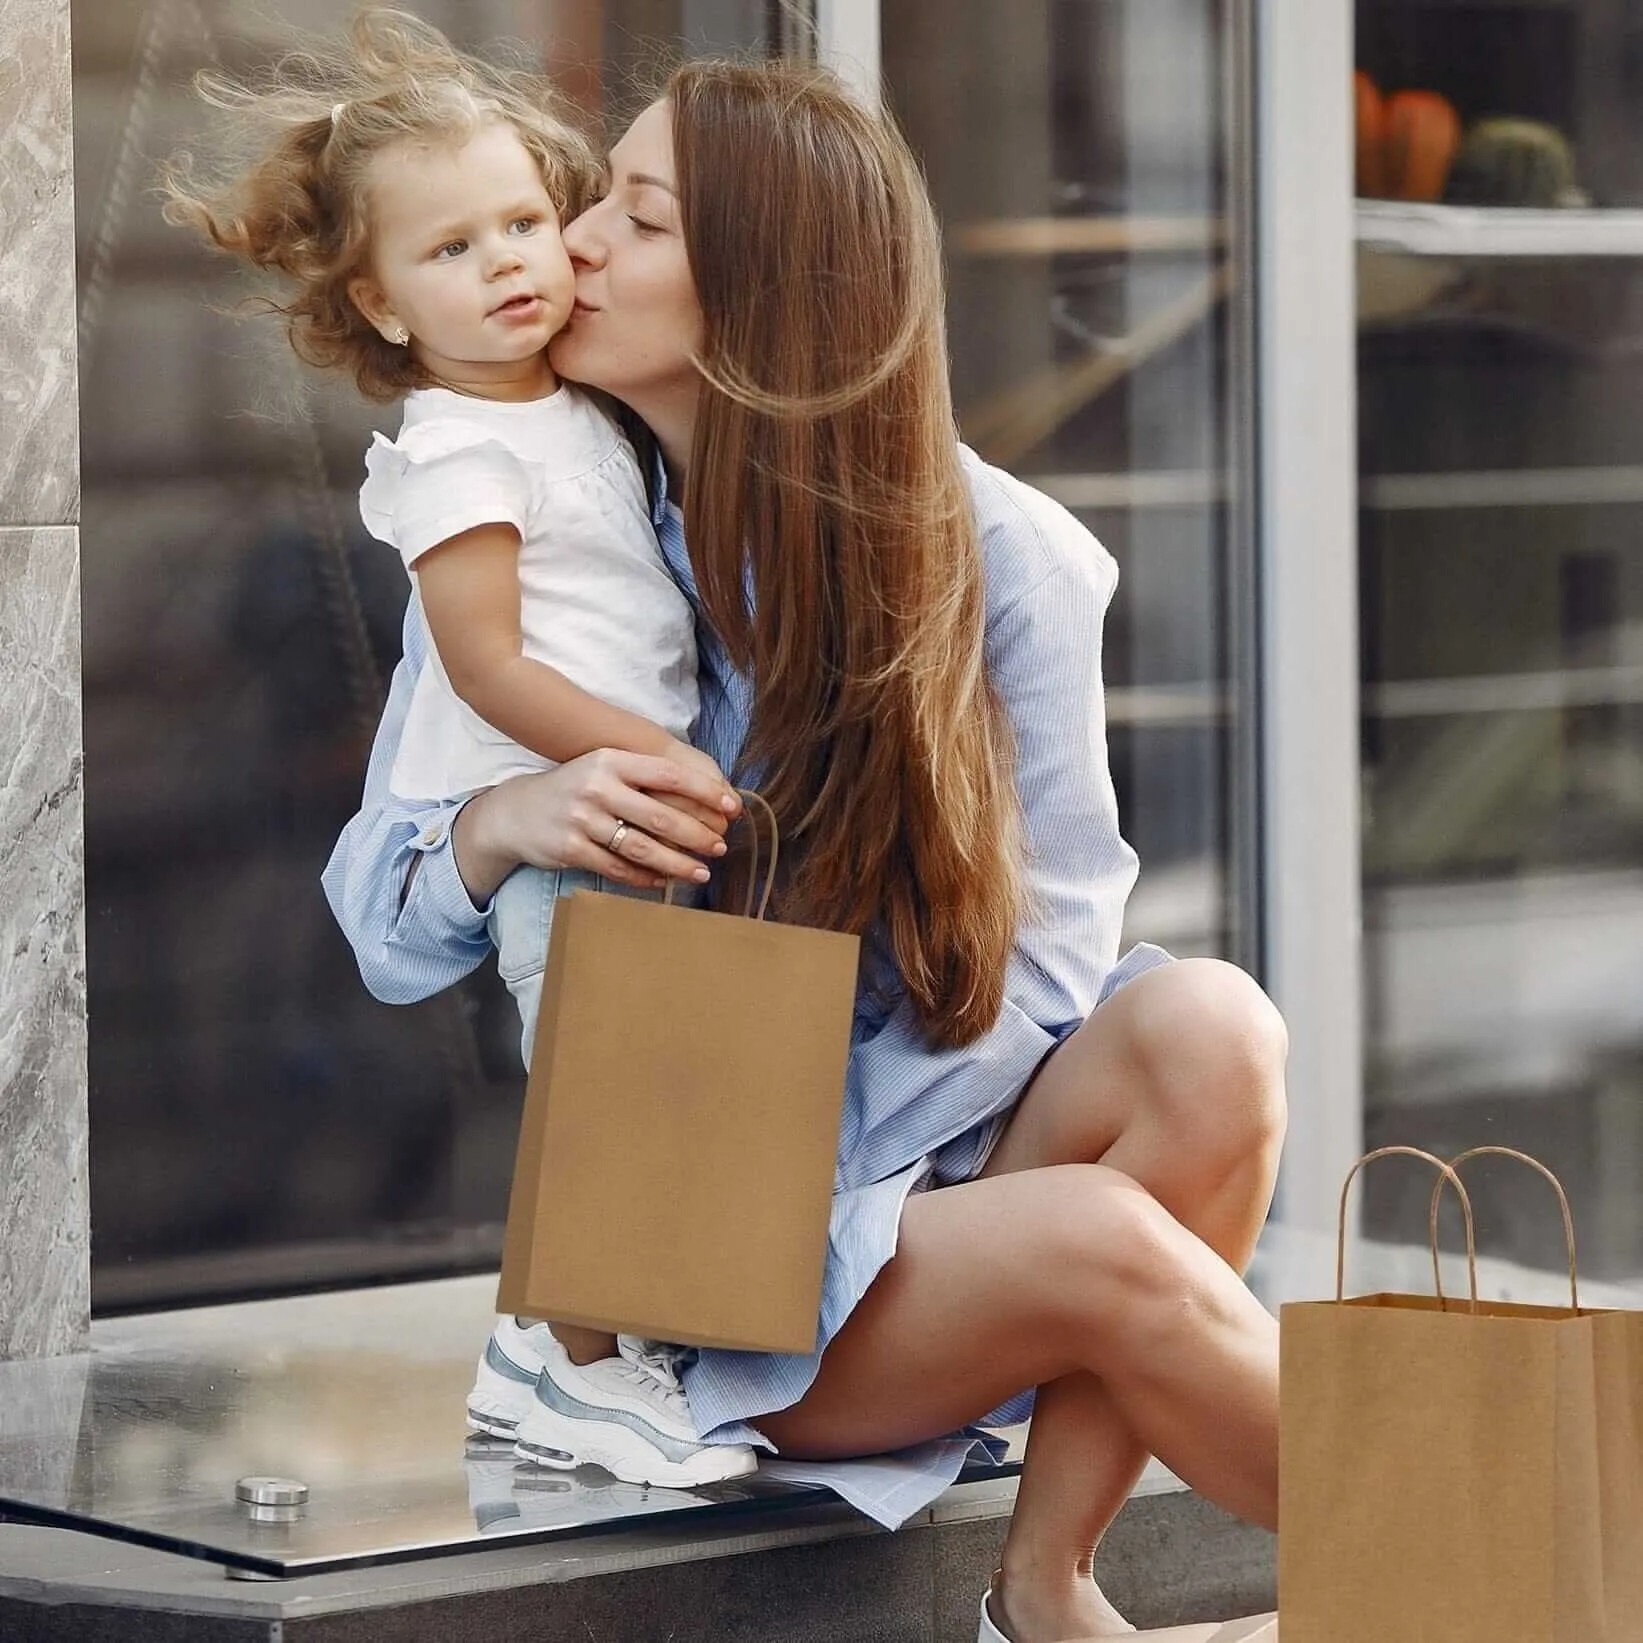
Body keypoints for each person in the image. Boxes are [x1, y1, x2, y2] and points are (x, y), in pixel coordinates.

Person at [324, 53, 1288, 1643]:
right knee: (1100, 1235)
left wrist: (879, 1187)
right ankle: (1497, 1563)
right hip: (677, 1256)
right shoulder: (540, 554)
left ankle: (1043, 1590)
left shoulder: (1006, 563)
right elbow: (380, 927)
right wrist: (506, 822)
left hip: (922, 1173)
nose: (564, 250)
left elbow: (1044, 971)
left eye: (627, 220)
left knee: (1212, 1028)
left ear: (761, 296)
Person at [164, 8, 756, 1491]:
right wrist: (667, 757)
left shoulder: (580, 411)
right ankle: (573, 1362)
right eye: (450, 251)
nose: (505, 262)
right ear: (375, 303)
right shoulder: (456, 449)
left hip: (627, 796)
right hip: (565, 812)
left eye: (522, 221)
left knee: (669, 1078)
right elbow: (489, 659)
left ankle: (634, 1347)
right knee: (600, 1090)